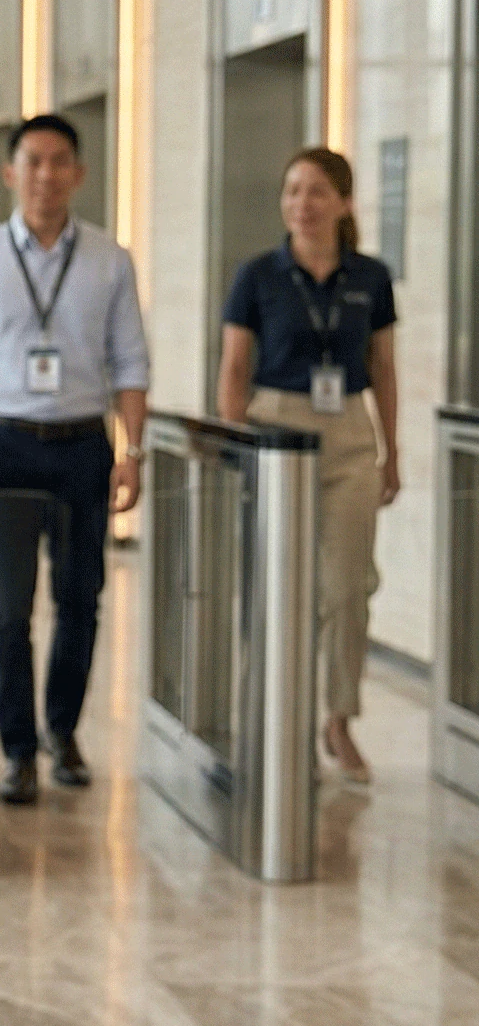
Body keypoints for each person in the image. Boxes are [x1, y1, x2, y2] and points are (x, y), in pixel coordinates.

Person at [0, 114, 150, 806]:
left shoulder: (110, 260)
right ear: (9, 172)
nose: (45, 175)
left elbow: (129, 363)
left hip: (84, 445)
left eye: (59, 162)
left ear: (78, 173)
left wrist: (131, 450)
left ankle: (63, 732)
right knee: (6, 611)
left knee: (80, 601)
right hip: (2, 447)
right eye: (32, 161)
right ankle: (18, 751)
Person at [217, 148, 399, 784]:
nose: (302, 203)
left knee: (347, 587)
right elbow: (235, 369)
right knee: (277, 584)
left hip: (349, 437)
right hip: (275, 431)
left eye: (317, 191)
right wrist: (234, 451)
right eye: (292, 190)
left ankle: (338, 718)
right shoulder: (258, 275)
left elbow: (382, 368)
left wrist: (391, 450)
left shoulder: (371, 278)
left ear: (344, 202)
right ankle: (276, 719)